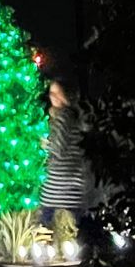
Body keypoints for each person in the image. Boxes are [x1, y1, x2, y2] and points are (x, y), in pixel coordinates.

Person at [39, 66, 89, 228]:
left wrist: (43, 144)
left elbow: (57, 149)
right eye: (51, 93)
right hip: (73, 192)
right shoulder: (76, 117)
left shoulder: (62, 117)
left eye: (56, 93)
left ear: (66, 95)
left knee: (49, 237)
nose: (52, 97)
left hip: (57, 192)